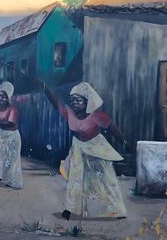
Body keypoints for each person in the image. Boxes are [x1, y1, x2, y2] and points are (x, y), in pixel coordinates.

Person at [41, 81, 127, 220]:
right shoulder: (69, 113)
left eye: (78, 100)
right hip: (78, 148)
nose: (74, 103)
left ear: (87, 102)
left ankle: (116, 209)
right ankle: (71, 209)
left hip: (96, 147)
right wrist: (45, 87)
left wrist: (124, 142)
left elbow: (112, 128)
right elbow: (55, 102)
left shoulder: (97, 116)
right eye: (72, 100)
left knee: (105, 178)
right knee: (75, 178)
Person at [0, 81, 23, 189]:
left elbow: (11, 123)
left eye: (3, 97)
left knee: (10, 159)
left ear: (8, 97)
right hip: (0, 136)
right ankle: (0, 176)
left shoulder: (13, 109)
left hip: (11, 136)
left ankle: (11, 179)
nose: (1, 99)